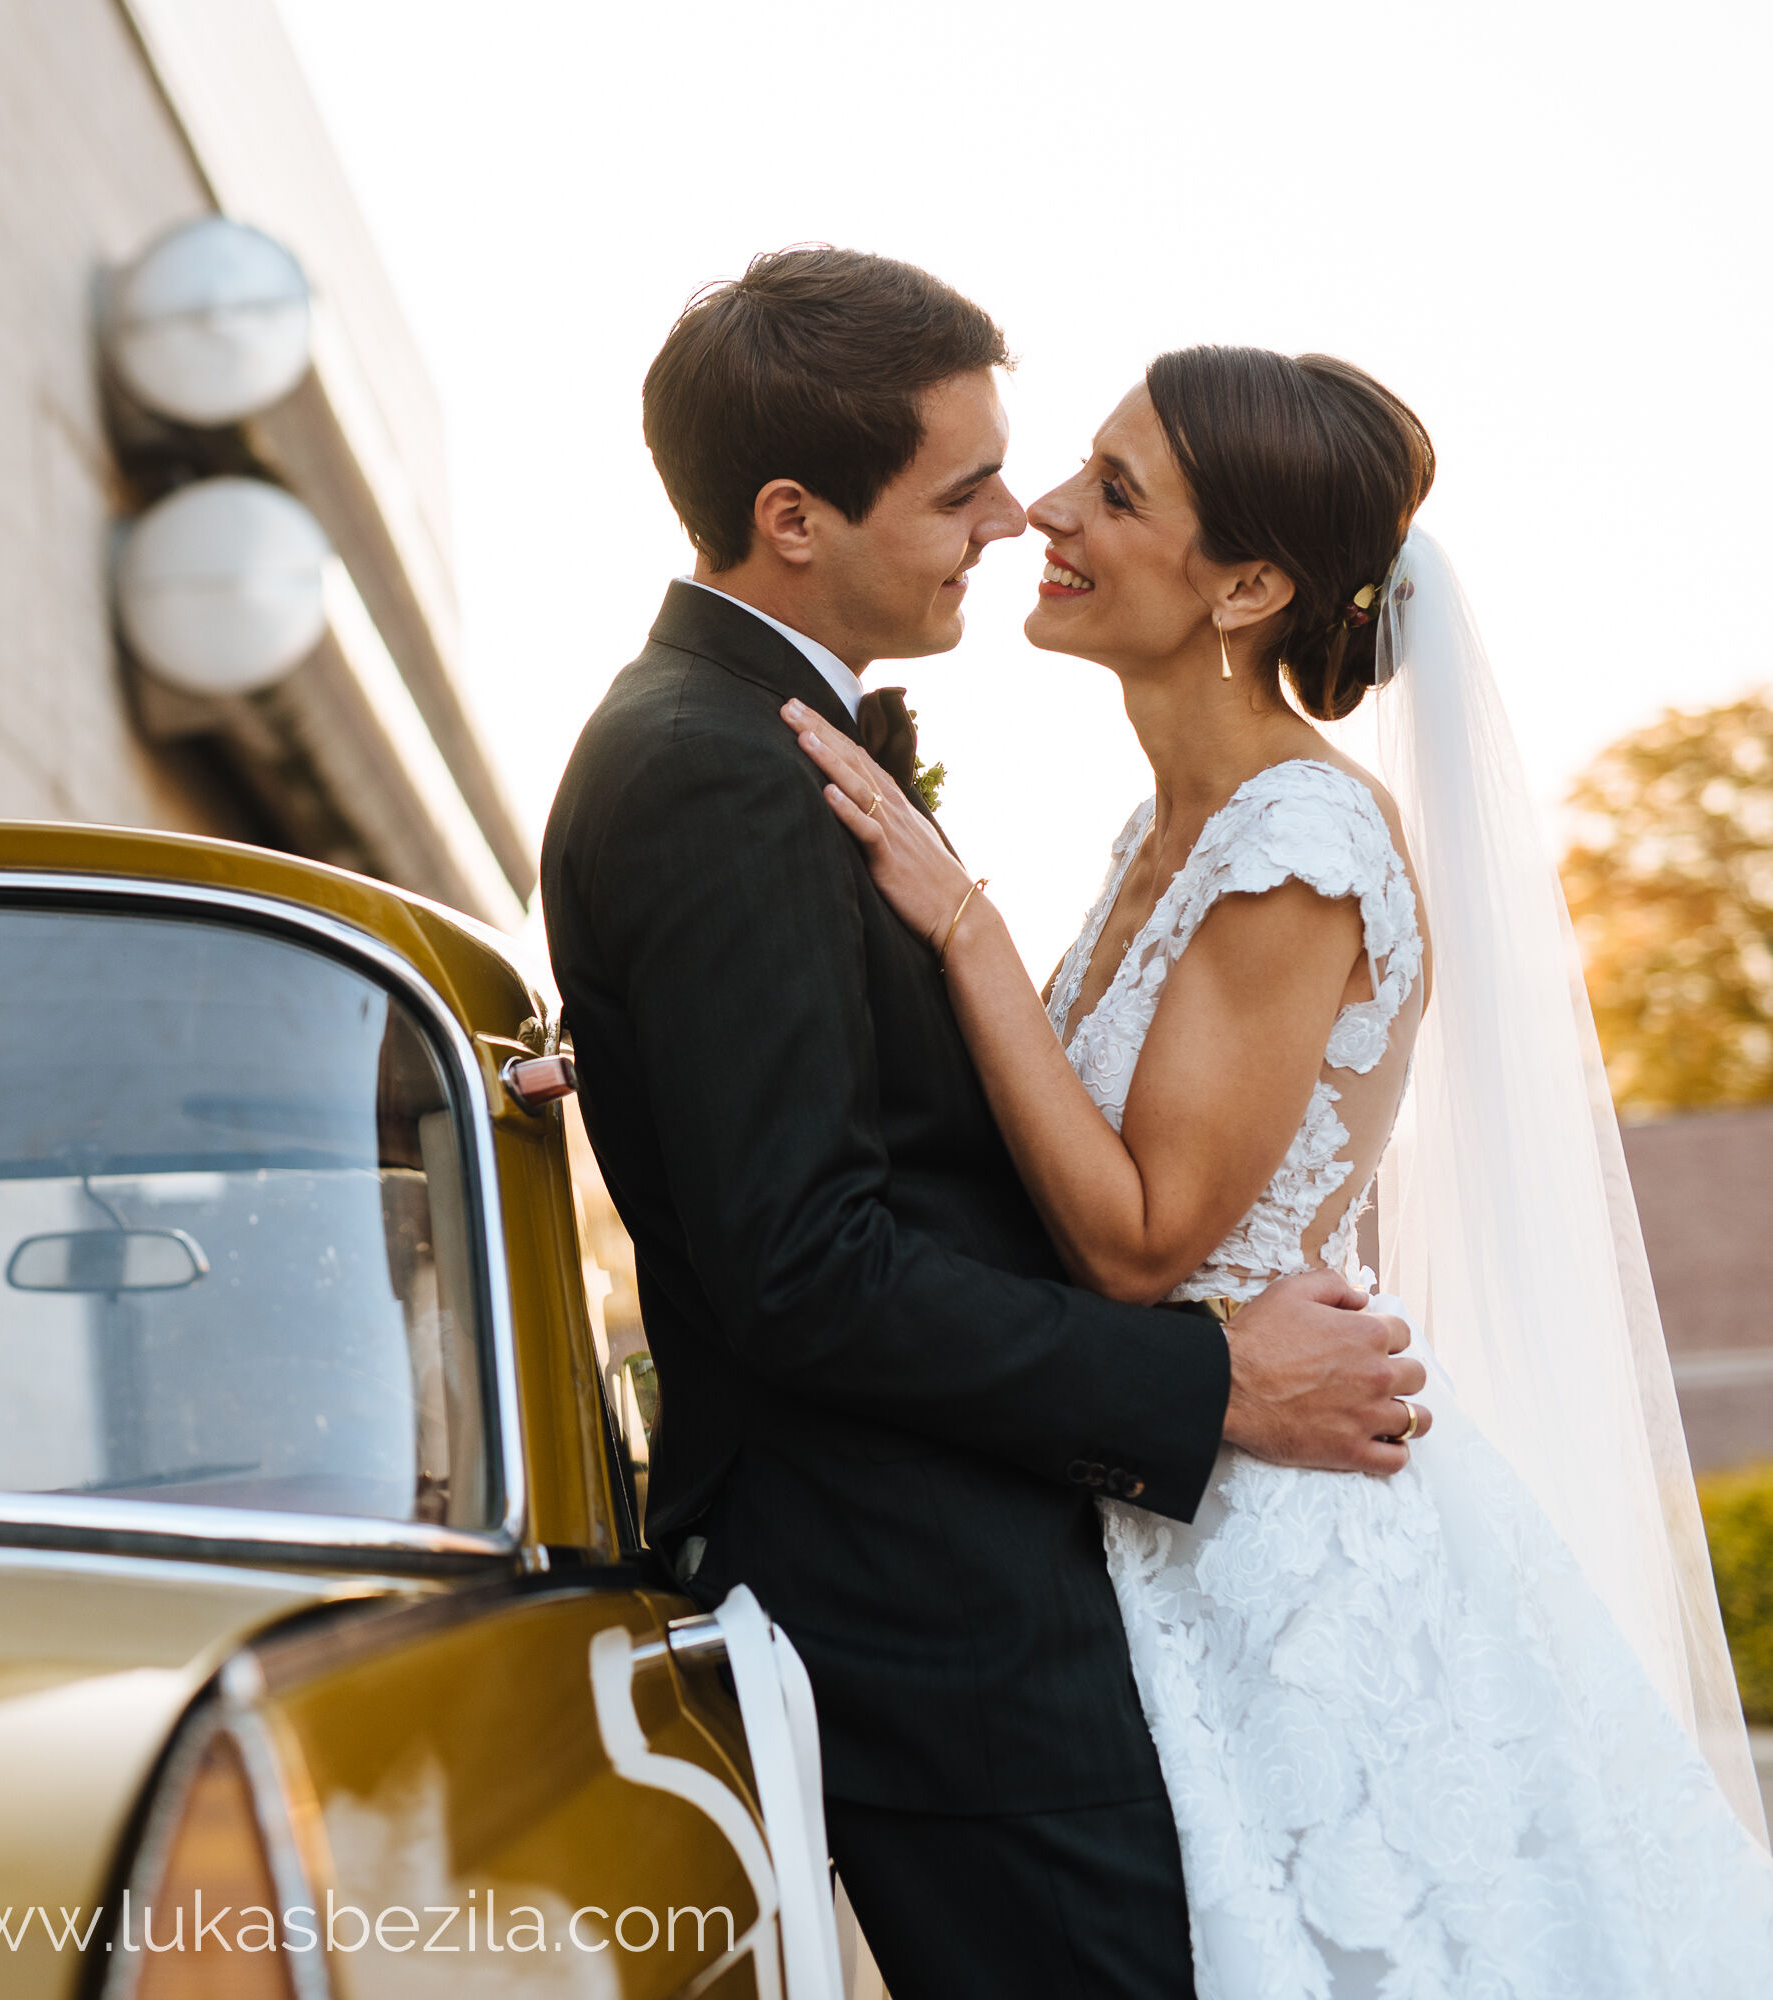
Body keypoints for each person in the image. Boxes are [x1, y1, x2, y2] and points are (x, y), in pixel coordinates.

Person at [787, 345, 1773, 1993]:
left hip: (1280, 1549)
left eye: (1115, 491)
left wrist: (963, 924)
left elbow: (1143, 1244)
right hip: (1157, 1487)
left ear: (1245, 583)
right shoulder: (1164, 827)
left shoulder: (1298, 848)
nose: (1046, 511)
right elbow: (1015, 1148)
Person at [540, 248, 1419, 1998]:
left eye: (1079, 479)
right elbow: (807, 1262)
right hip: (927, 1591)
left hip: (1077, 1551)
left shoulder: (769, 744)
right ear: (793, 518)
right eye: (969, 487)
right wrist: (1212, 1382)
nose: (1018, 519)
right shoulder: (717, 769)